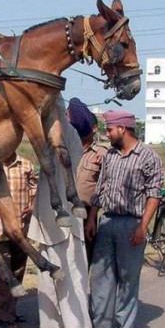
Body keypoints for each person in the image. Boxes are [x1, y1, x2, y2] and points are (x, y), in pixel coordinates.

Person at [85, 109, 164, 328]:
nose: (107, 134)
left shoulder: (149, 157)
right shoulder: (110, 156)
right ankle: (101, 323)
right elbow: (101, 189)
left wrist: (143, 226)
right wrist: (92, 218)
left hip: (132, 224)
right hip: (107, 222)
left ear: (123, 129)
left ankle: (124, 326)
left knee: (128, 277)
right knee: (100, 276)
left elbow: (154, 195)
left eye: (109, 129)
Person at [27, 113, 94, 328]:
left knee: (70, 281)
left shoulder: (66, 133)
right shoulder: (49, 133)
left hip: (65, 221)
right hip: (47, 220)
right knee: (46, 282)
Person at [0, 152, 38, 328]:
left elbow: (34, 189)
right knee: (4, 274)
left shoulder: (26, 165)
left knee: (18, 270)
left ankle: (11, 310)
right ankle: (4, 315)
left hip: (20, 229)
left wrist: (33, 206)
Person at [67, 97, 108, 263]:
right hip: (65, 212)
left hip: (85, 215)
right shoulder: (67, 150)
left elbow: (101, 189)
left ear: (94, 129)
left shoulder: (102, 153)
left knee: (83, 261)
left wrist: (92, 218)